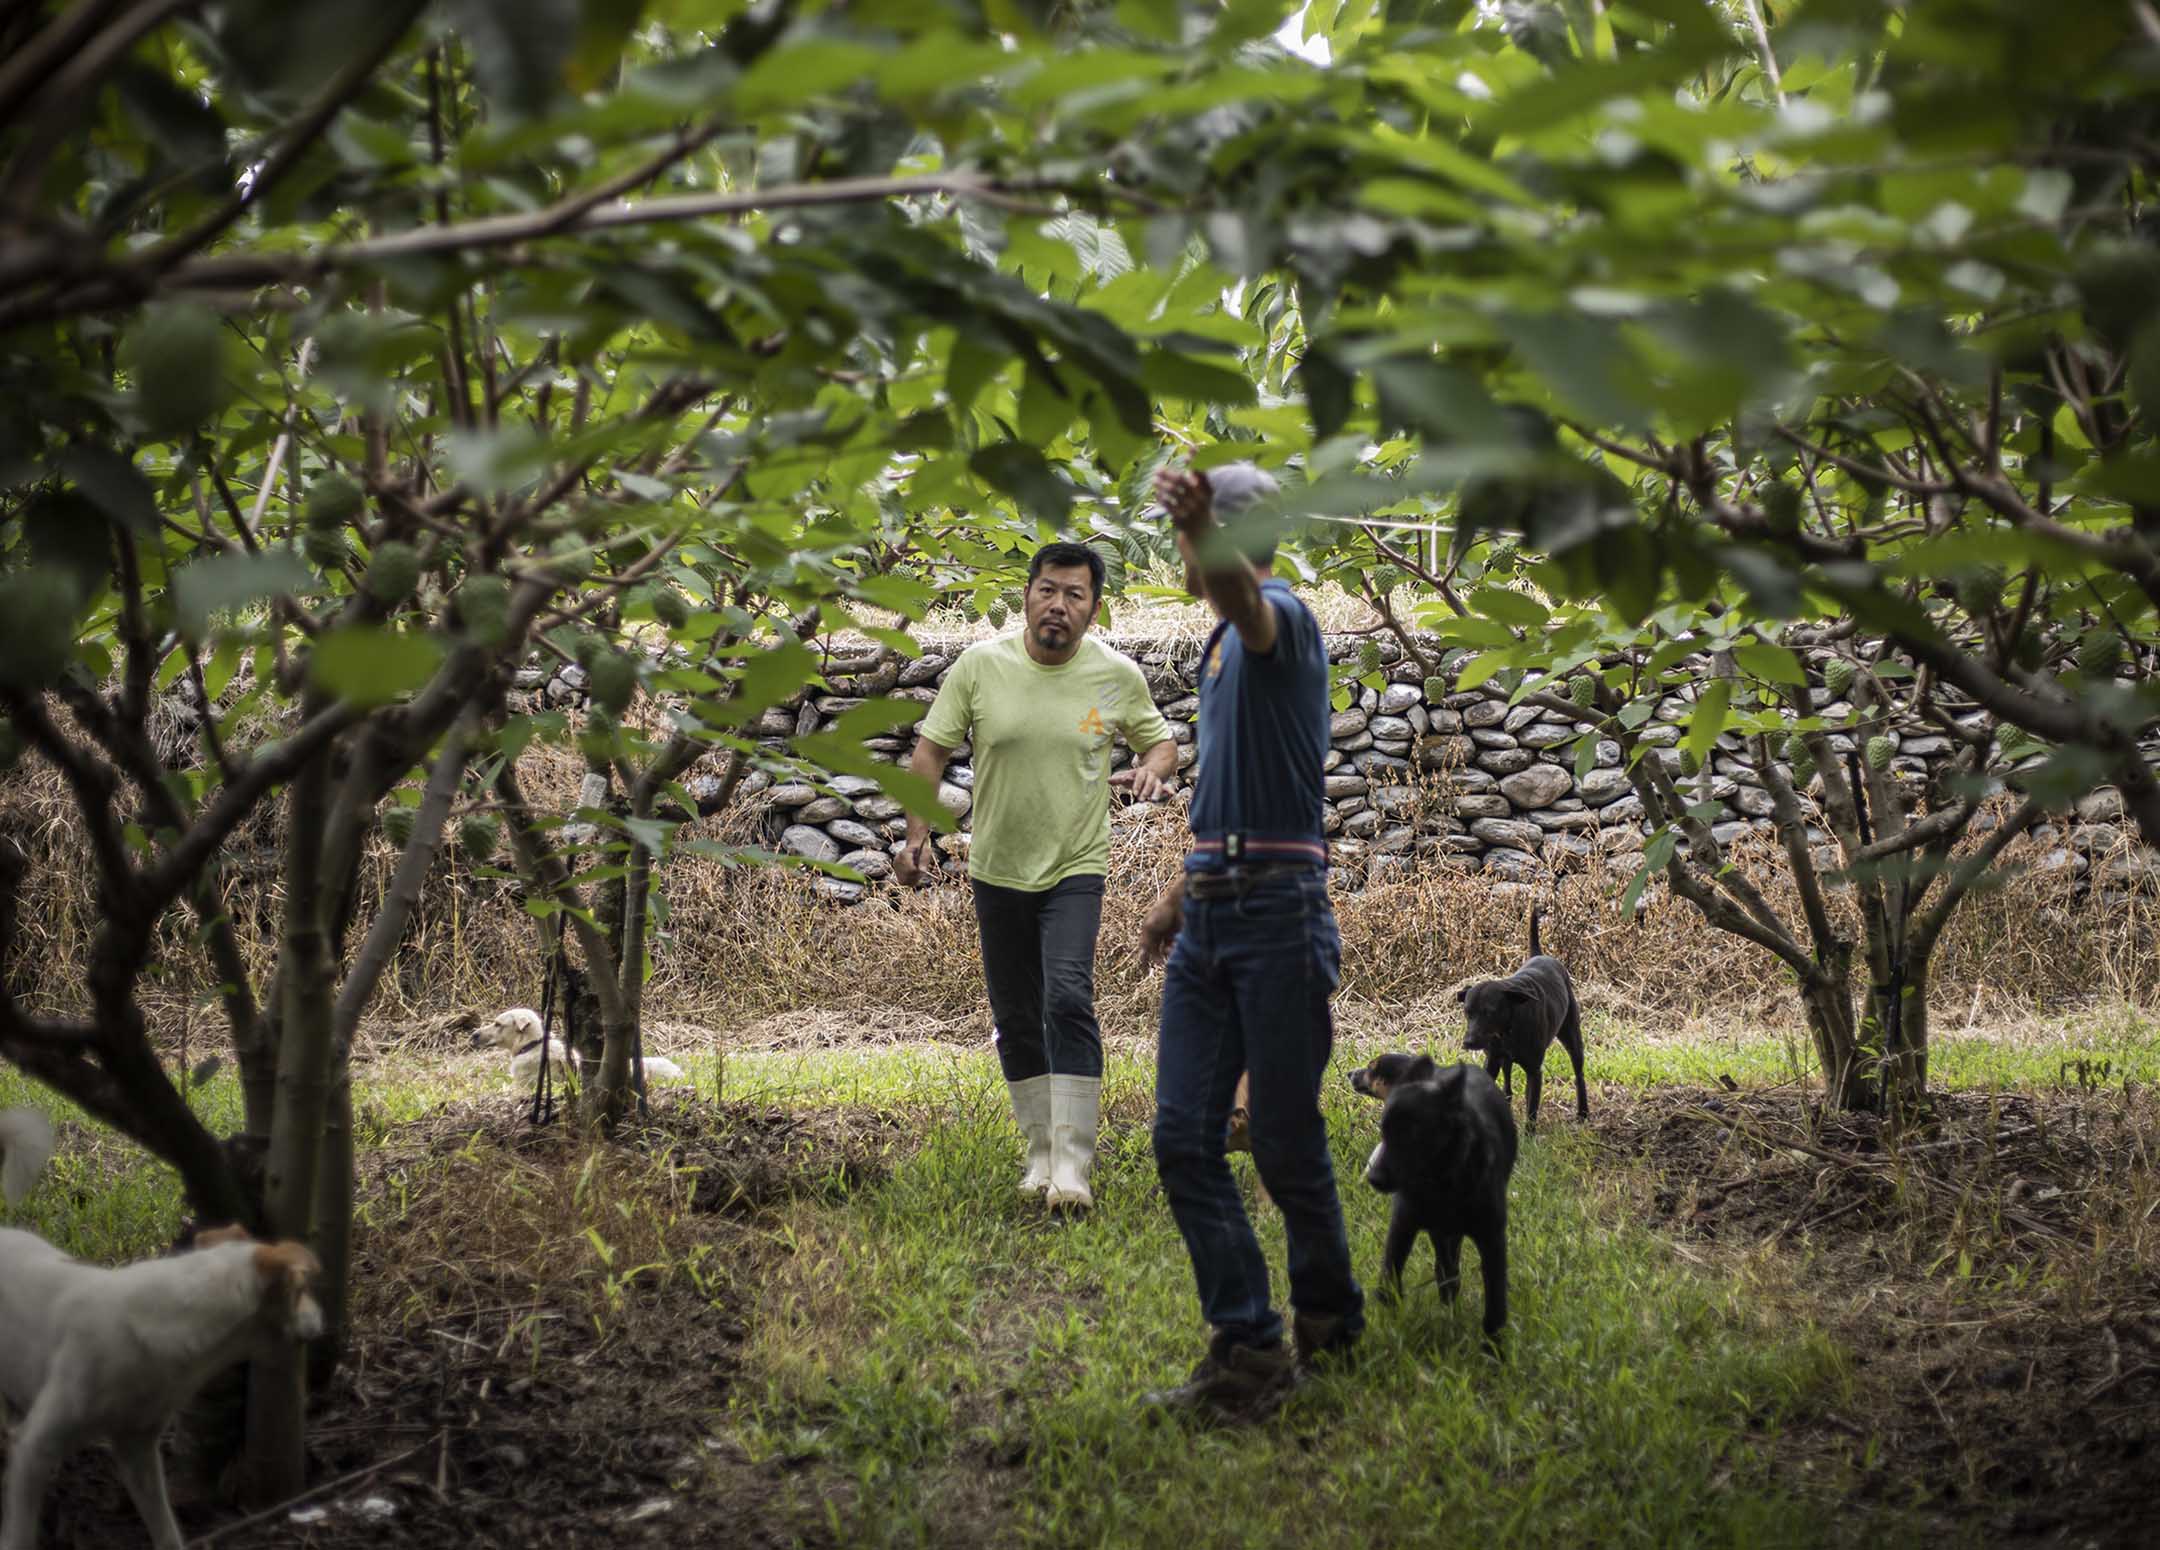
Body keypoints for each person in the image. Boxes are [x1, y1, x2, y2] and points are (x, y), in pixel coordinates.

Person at [1136, 460, 1364, 1423]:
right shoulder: (1220, 649)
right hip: (1214, 918)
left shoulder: (1280, 618)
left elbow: (1247, 598)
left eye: (1192, 536)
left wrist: (1204, 533)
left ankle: (1329, 1316)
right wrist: (1177, 897)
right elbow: (1230, 795)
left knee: (1280, 1138)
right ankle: (1249, 1344)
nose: (1181, 557)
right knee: (1184, 1138)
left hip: (1279, 918)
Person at [896, 540, 1177, 1211]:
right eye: (1048, 590)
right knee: (1016, 1017)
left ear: (1094, 608)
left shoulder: (1114, 675)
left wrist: (1151, 769)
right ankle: (1040, 1153)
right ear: (1026, 594)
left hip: (1075, 866)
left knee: (1067, 1001)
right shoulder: (980, 667)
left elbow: (1159, 741)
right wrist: (915, 838)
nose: (1059, 605)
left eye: (1075, 595)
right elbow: (930, 752)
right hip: (997, 869)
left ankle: (1074, 1167)